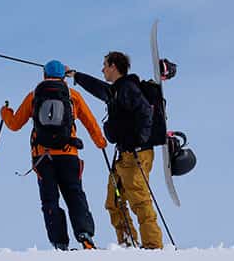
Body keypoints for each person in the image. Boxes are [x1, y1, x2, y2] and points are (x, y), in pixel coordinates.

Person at [2, 60, 107, 250]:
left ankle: (60, 243)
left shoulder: (34, 96)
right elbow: (90, 122)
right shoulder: (72, 95)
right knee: (75, 195)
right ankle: (85, 235)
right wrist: (101, 143)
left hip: (43, 156)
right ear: (63, 76)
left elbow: (15, 124)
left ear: (44, 75)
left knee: (50, 200)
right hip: (69, 155)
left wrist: (5, 112)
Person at [67, 52, 164, 249]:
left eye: (104, 65)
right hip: (124, 155)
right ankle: (127, 243)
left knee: (139, 199)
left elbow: (146, 112)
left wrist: (138, 140)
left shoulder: (128, 88)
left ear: (113, 66)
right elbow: (98, 88)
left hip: (137, 153)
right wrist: (76, 75)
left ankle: (153, 246)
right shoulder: (117, 91)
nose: (102, 69)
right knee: (114, 201)